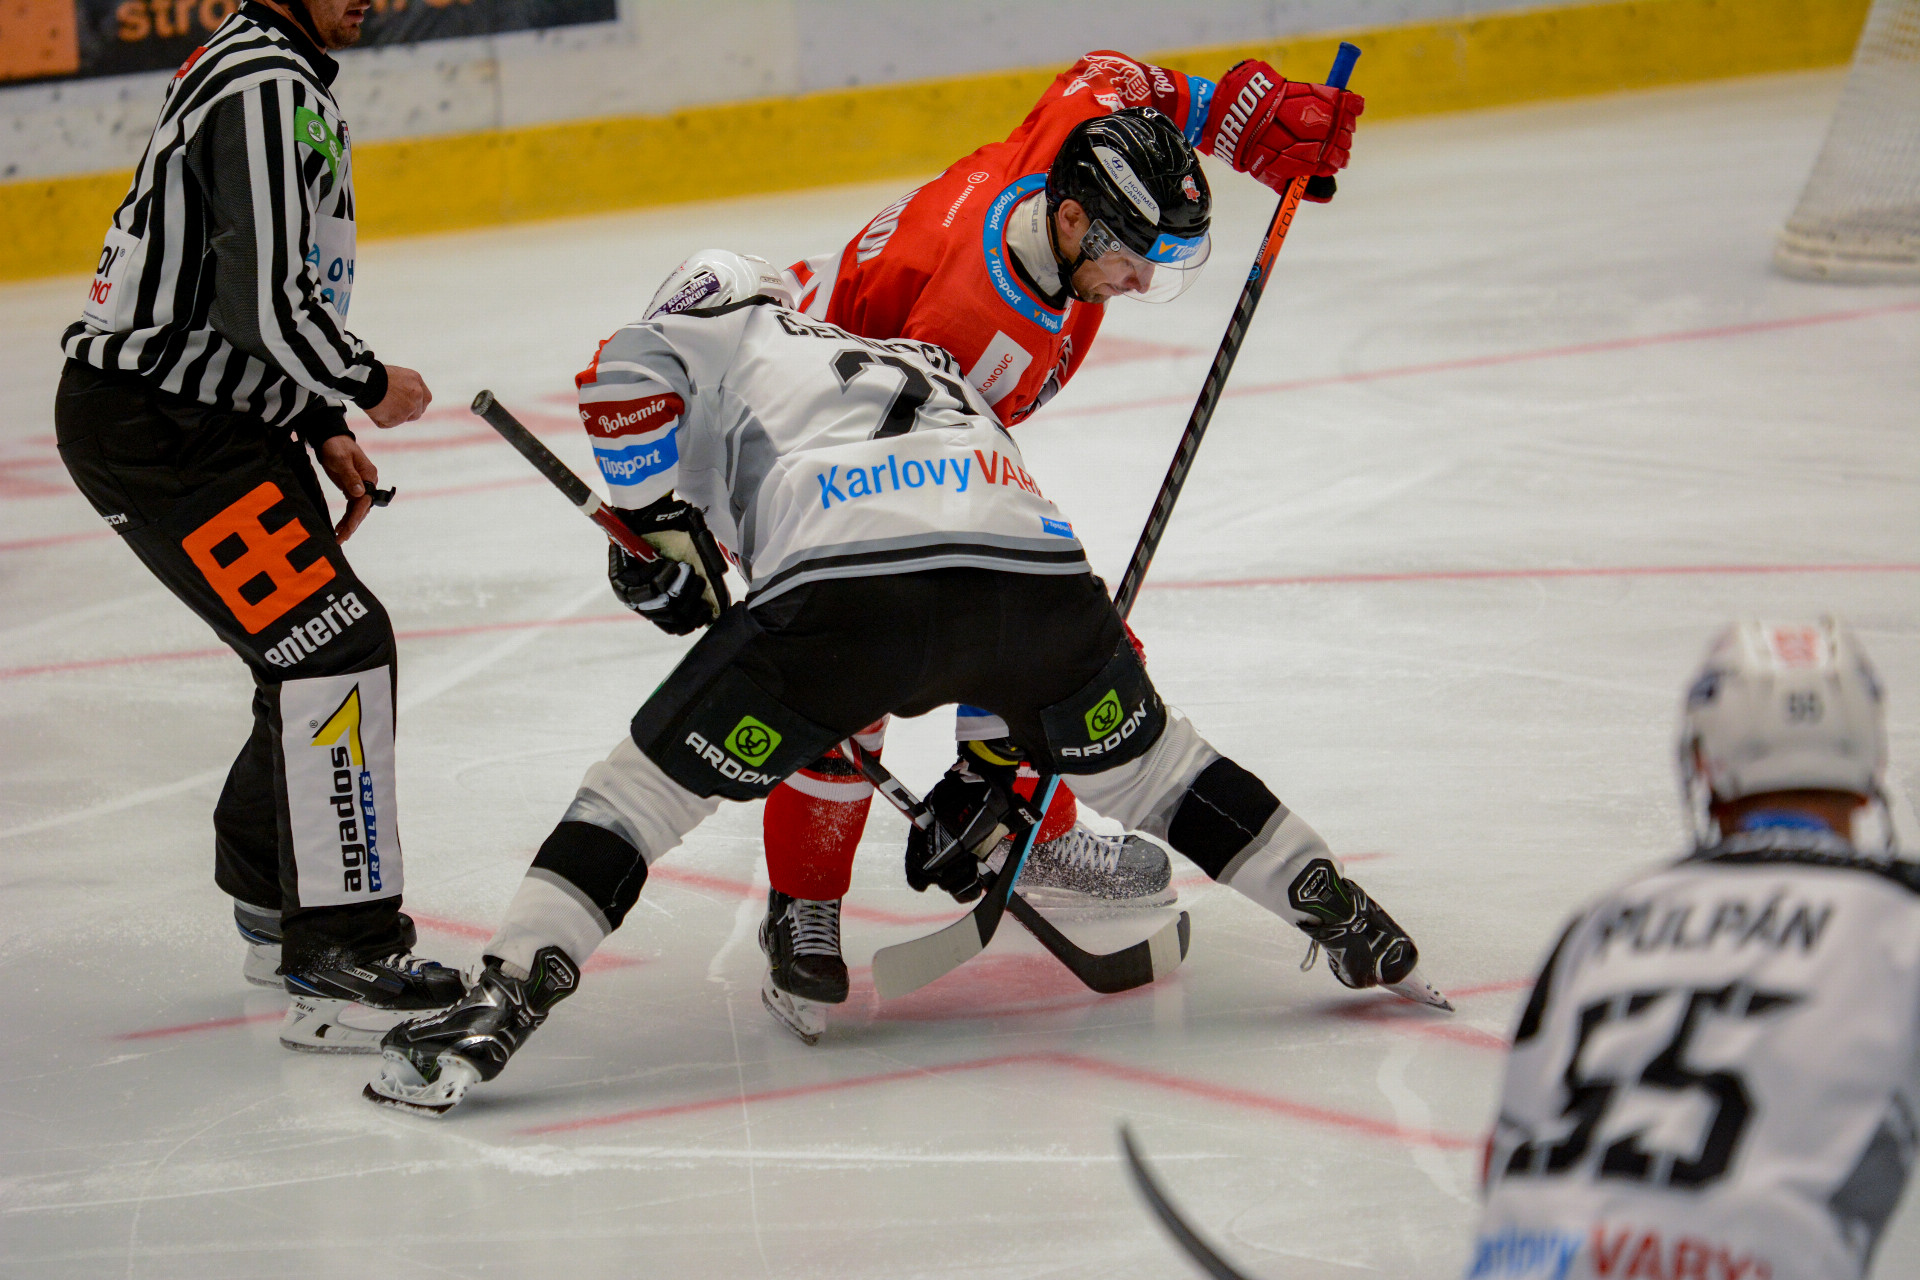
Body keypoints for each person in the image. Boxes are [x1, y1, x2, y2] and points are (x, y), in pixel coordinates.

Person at [362, 254, 1436, 1115]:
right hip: (1036, 582)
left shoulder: (725, 321)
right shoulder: (908, 359)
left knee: (639, 796)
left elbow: (623, 375)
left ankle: (505, 996)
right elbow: (943, 531)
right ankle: (1342, 911)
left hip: (849, 594)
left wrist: (648, 525)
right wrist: (993, 768)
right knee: (1160, 770)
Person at [752, 50, 1365, 1025]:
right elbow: (940, 544)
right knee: (858, 662)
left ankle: (1026, 826)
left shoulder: (1073, 153)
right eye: (1133, 254)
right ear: (1076, 221)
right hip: (801, 448)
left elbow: (1112, 75)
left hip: (906, 422)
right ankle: (803, 904)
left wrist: (1242, 117)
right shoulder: (972, 329)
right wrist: (988, 773)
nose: (1142, 279)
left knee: (1054, 628)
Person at [54, 0, 463, 1052]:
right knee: (334, 647)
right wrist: (363, 382)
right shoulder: (264, 81)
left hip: (216, 418)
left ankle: (274, 901)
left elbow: (240, 290)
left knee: (307, 650)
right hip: (167, 430)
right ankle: (339, 958)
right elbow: (260, 306)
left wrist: (316, 418)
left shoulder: (275, 69)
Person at [1470, 618, 1915, 1280]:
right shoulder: (1900, 920)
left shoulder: (1605, 919)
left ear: (1706, 762)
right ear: (1870, 762)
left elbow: (1504, 1154)